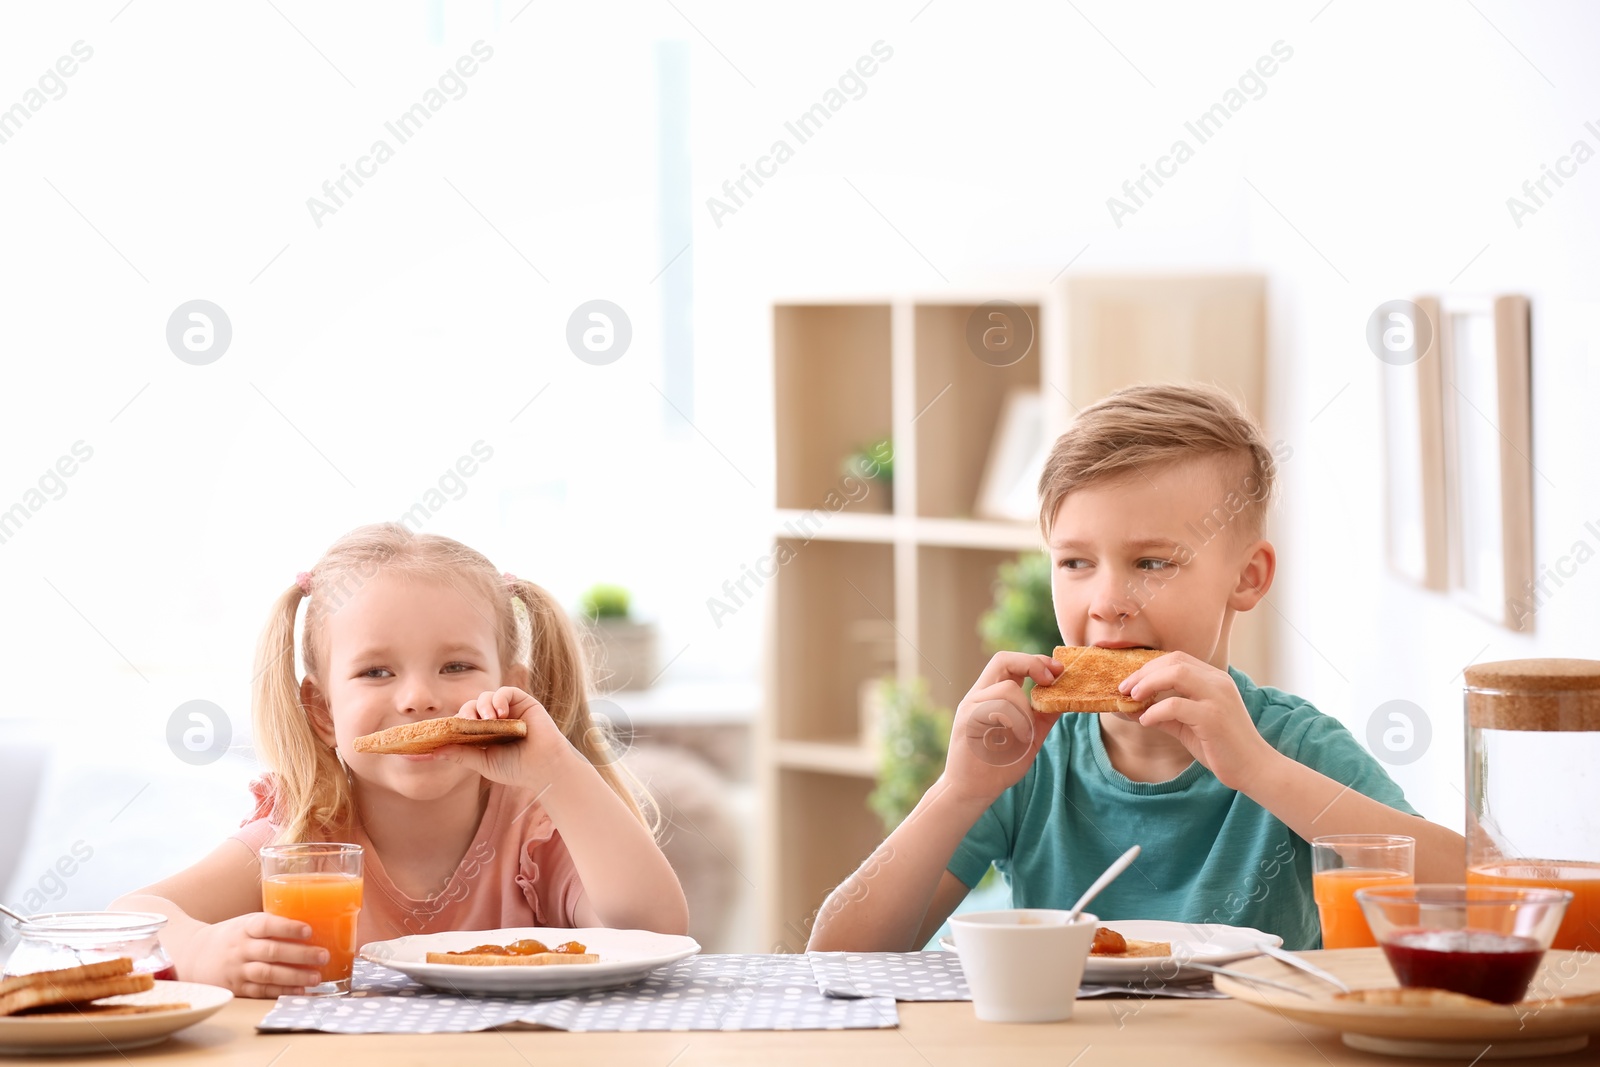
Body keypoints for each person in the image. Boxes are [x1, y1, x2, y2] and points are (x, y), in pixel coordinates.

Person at [807, 383, 1465, 952]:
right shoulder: (1028, 763)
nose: (1108, 603)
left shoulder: (1291, 746)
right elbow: (837, 956)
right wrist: (958, 792)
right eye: (1075, 562)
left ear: (1247, 576)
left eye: (1152, 563)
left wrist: (1259, 772)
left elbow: (1472, 895)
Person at [113, 523, 688, 997]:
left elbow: (652, 932)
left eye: (457, 667)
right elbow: (128, 920)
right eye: (376, 672)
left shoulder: (535, 831)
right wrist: (200, 950)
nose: (419, 698)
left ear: (514, 689)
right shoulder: (303, 841)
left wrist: (556, 771)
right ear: (324, 711)